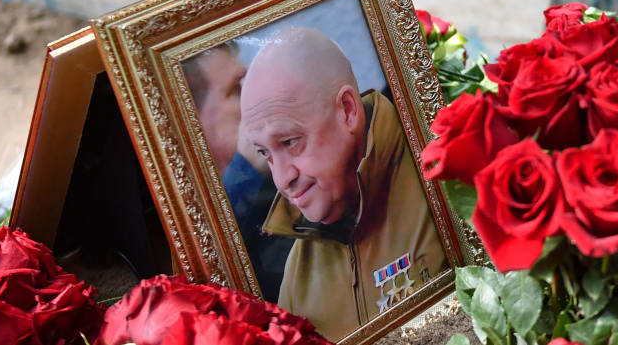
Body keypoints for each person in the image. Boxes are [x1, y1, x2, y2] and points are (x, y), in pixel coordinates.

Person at [240, 27, 447, 342]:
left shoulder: (443, 175)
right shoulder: (298, 269)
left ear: (348, 110)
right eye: (265, 154)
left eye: (291, 141)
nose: (282, 181)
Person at [184, 44, 285, 298]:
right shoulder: (191, 224)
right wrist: (244, 171)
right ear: (190, 122)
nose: (259, 99)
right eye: (236, 90)